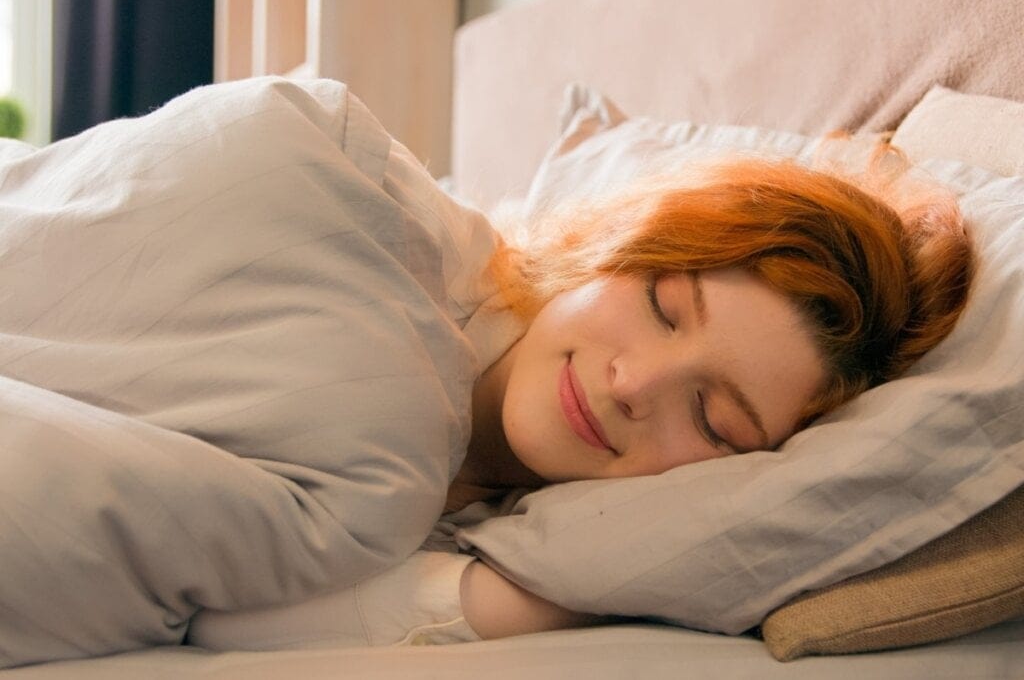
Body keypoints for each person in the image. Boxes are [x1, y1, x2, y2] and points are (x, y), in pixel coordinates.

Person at [189, 138, 975, 648]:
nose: (632, 384)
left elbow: (215, 608)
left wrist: (544, 597)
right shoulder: (390, 259)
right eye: (662, 307)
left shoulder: (534, 539)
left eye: (713, 417)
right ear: (615, 247)